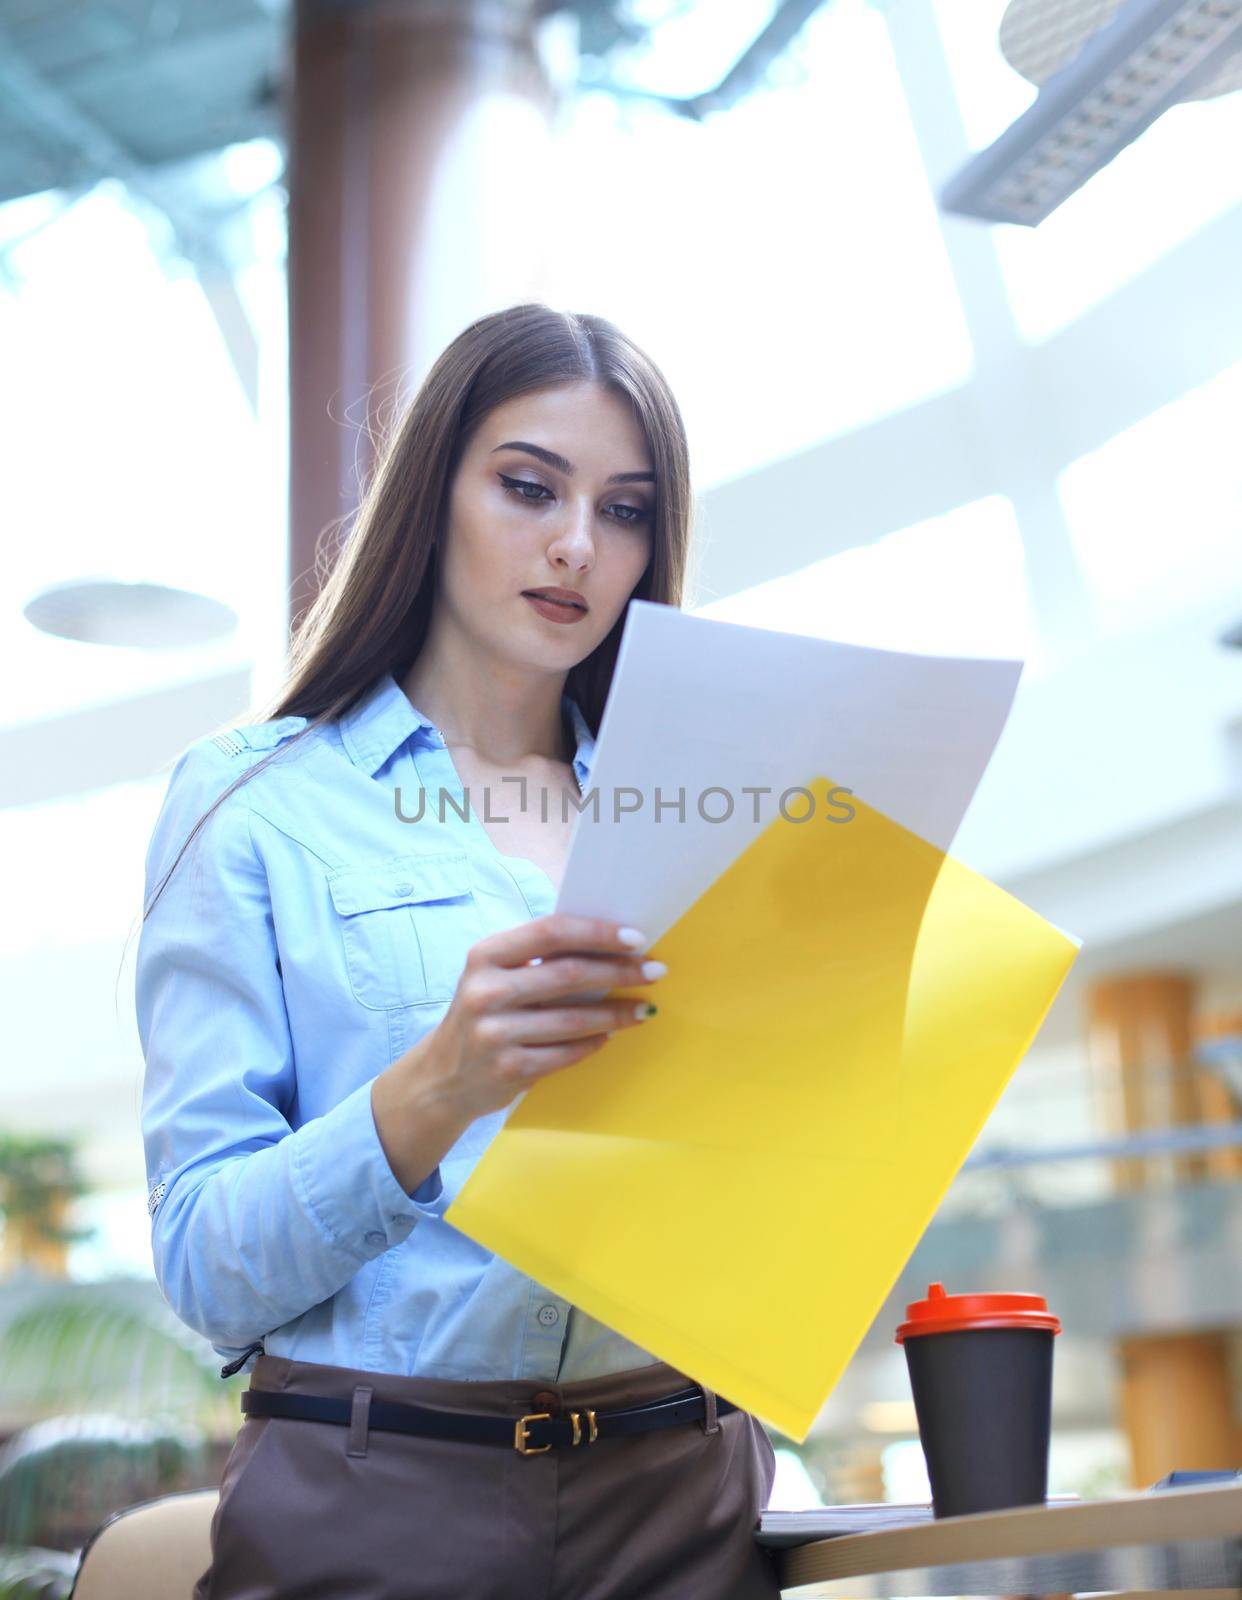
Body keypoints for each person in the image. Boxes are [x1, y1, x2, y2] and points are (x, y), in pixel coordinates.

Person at [135, 303, 781, 1599]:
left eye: (625, 509)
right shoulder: (251, 803)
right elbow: (207, 1270)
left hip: (683, 1492)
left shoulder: (711, 815)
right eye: (528, 486)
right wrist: (435, 1087)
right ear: (432, 494)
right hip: (382, 1499)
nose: (573, 545)